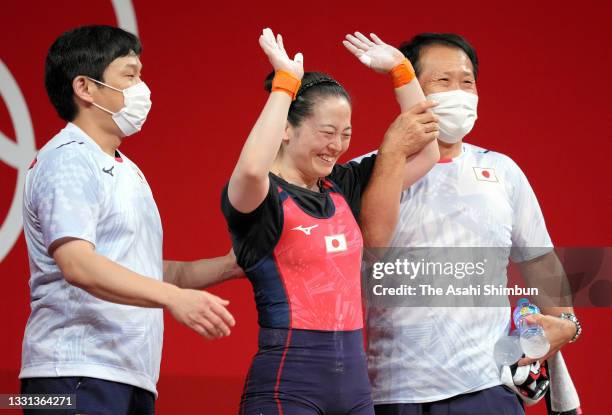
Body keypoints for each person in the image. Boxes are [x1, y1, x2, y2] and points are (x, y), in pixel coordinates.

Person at [350, 32, 581, 414]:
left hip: (488, 385)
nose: (458, 92)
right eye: (442, 82)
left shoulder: (501, 170)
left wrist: (567, 323)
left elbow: (539, 261)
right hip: (394, 388)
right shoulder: (364, 172)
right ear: (409, 88)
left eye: (467, 82)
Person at [20, 25, 240, 414]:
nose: (143, 89)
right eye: (130, 75)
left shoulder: (127, 170)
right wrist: (174, 299)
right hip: (70, 374)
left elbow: (146, 272)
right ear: (85, 88)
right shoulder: (68, 158)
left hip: (130, 375)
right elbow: (78, 264)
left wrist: (231, 266)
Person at [221, 28, 439, 415]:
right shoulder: (260, 197)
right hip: (287, 386)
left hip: (355, 386)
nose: (337, 145)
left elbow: (425, 154)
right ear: (286, 129)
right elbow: (252, 168)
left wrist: (402, 73)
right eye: (327, 132)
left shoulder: (342, 184)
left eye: (346, 134)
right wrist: (284, 86)